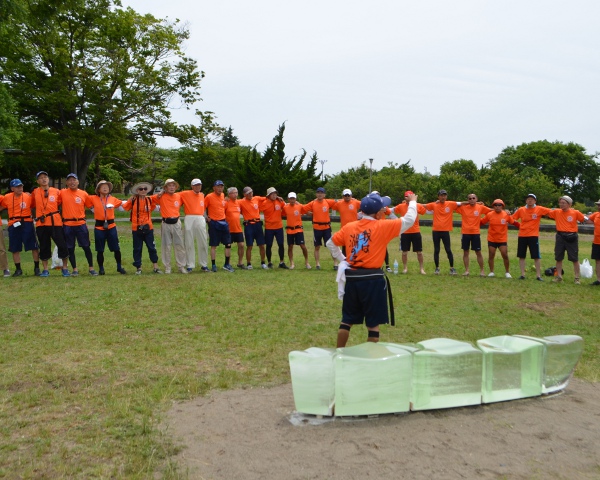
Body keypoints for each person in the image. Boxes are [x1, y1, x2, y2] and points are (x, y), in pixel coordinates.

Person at [326, 192, 417, 347]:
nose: (384, 211)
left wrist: (344, 260)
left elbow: (330, 243)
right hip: (372, 280)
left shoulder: (350, 227)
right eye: (382, 209)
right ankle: (369, 360)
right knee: (373, 326)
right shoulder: (382, 226)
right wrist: (413, 202)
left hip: (353, 279)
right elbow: (409, 220)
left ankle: (338, 353)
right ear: (376, 213)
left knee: (346, 321)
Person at [31, 171, 70, 277]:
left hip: (55, 222)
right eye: (41, 178)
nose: (44, 179)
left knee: (62, 245)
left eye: (45, 177)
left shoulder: (56, 191)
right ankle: (45, 269)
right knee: (44, 246)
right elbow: (32, 205)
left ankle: (65, 268)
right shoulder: (35, 192)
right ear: (37, 181)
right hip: (41, 224)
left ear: (48, 179)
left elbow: (61, 203)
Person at [0, 179, 40, 276]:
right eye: (17, 187)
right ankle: (18, 269)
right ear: (12, 188)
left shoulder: (28, 196)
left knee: (33, 246)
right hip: (13, 223)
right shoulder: (7, 197)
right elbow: (2, 206)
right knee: (15, 247)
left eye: (21, 186)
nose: (20, 188)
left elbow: (35, 206)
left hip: (27, 222)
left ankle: (37, 268)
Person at [86, 180, 126, 275]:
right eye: (103, 186)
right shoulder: (93, 198)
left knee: (116, 248)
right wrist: (93, 209)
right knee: (100, 249)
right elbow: (85, 201)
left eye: (107, 187)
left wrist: (133, 200)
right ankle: (101, 268)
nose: (105, 188)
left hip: (111, 226)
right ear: (98, 189)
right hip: (99, 227)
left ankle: (119, 267)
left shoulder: (112, 199)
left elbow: (123, 204)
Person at [122, 181, 163, 274]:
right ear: (137, 190)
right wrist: (130, 200)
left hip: (148, 227)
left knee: (151, 247)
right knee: (137, 248)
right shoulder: (133, 200)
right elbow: (125, 207)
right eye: (141, 189)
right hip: (136, 228)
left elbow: (156, 201)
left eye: (145, 189)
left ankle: (155, 266)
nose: (143, 190)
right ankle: (138, 267)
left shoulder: (149, 200)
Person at [61, 173, 98, 276]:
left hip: (80, 223)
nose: (72, 182)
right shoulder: (62, 193)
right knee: (70, 248)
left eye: (74, 180)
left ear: (78, 182)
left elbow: (92, 207)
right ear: (67, 182)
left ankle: (91, 268)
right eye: (70, 180)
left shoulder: (83, 194)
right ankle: (74, 269)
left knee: (86, 246)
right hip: (68, 224)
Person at [546, 195, 587, 284]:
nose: (561, 204)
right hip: (560, 236)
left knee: (574, 258)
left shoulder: (575, 212)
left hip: (572, 237)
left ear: (569, 204)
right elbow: (545, 212)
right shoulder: (556, 212)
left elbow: (585, 219)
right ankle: (559, 277)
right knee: (558, 257)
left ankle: (577, 278)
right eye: (560, 203)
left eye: (564, 203)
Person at [511, 193, 552, 281]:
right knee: (521, 255)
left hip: (533, 235)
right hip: (522, 235)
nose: (530, 200)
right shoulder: (521, 209)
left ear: (535, 201)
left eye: (532, 199)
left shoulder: (539, 209)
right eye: (528, 199)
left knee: (536, 256)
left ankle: (538, 275)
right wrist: (518, 224)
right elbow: (512, 218)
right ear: (526, 200)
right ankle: (522, 274)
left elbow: (551, 212)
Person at [151, 178, 187, 274]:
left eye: (173, 185)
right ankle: (167, 267)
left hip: (176, 222)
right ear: (165, 188)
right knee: (166, 245)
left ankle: (181, 266)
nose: (171, 187)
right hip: (166, 223)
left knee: (179, 245)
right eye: (169, 186)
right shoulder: (161, 196)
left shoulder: (179, 196)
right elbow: (149, 199)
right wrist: (161, 192)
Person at [424, 189, 461, 275]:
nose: (443, 197)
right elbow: (423, 205)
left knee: (448, 249)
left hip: (445, 231)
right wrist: (411, 203)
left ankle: (452, 268)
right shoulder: (434, 205)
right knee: (437, 250)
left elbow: (462, 203)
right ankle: (437, 268)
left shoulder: (450, 204)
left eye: (444, 195)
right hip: (436, 231)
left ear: (446, 196)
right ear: (438, 196)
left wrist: (477, 203)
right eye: (441, 195)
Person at [480, 199, 519, 278]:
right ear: (493, 206)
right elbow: (481, 222)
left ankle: (507, 272)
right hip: (492, 238)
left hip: (502, 239)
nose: (497, 207)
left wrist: (523, 227)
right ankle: (491, 272)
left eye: (499, 205)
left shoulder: (506, 215)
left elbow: (514, 222)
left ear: (502, 206)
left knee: (505, 254)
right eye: (495, 205)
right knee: (491, 254)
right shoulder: (489, 214)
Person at [302, 187, 338, 270]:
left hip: (326, 228)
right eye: (318, 192)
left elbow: (338, 202)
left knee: (331, 246)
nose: (320, 194)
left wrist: (351, 199)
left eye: (321, 193)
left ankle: (335, 263)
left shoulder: (328, 202)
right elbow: (303, 209)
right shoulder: (313, 203)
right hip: (317, 228)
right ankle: (317, 264)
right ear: (316, 194)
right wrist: (309, 213)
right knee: (317, 246)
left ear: (324, 194)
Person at [455, 193, 491, 276]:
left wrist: (505, 211)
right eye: (470, 198)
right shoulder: (463, 208)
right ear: (468, 200)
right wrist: (466, 203)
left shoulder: (480, 207)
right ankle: (467, 270)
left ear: (476, 199)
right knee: (466, 252)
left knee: (478, 252)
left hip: (475, 233)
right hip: (465, 233)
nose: (471, 200)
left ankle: (482, 271)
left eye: (473, 198)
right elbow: (454, 205)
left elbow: (491, 211)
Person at [393, 190, 427, 274]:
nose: (407, 198)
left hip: (416, 231)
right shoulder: (401, 206)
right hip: (405, 232)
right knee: (404, 252)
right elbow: (393, 210)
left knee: (419, 252)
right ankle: (405, 268)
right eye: (406, 196)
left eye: (409, 196)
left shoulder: (417, 205)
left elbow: (424, 211)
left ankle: (421, 268)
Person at [204, 180, 234, 272]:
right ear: (214, 188)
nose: (220, 188)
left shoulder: (223, 196)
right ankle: (213, 265)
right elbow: (203, 207)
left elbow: (223, 207)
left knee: (228, 244)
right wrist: (206, 217)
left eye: (221, 187)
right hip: (213, 223)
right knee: (214, 245)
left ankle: (227, 264)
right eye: (218, 186)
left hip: (223, 222)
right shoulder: (209, 196)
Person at [180, 178, 209, 272]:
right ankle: (190, 265)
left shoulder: (202, 195)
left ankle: (204, 264)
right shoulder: (185, 193)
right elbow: (173, 195)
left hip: (200, 217)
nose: (198, 187)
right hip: (189, 217)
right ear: (192, 186)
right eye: (196, 185)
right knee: (189, 241)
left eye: (199, 185)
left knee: (203, 241)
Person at [239, 186, 267, 269]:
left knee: (261, 245)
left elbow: (267, 198)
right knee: (249, 245)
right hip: (249, 225)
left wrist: (278, 197)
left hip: (258, 224)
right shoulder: (241, 202)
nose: (251, 194)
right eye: (248, 193)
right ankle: (249, 263)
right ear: (244, 194)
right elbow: (232, 202)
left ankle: (263, 262)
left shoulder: (257, 198)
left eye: (251, 192)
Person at [282, 192, 310, 269]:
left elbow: (306, 211)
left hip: (298, 229)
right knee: (290, 246)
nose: (292, 200)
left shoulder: (299, 206)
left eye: (293, 198)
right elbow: (282, 213)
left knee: (303, 246)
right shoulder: (285, 207)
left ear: (295, 199)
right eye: (290, 198)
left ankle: (307, 262)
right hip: (290, 230)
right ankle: (292, 263)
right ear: (288, 199)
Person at [262, 187, 288, 268]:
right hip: (269, 228)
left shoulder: (279, 201)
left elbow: (286, 208)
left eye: (275, 193)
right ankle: (269, 262)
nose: (274, 195)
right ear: (269, 195)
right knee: (269, 245)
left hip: (279, 227)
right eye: (272, 194)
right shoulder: (264, 203)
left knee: (281, 244)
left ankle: (281, 262)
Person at [224, 186, 245, 269]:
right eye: (233, 193)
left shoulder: (239, 202)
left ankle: (240, 262)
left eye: (236, 192)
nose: (235, 194)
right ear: (229, 194)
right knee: (228, 246)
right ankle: (227, 263)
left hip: (238, 228)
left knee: (241, 245)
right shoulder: (226, 202)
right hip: (229, 228)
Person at [585, 199, 600, 285]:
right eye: (598, 205)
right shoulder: (596, 215)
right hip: (597, 242)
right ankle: (599, 280)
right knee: (597, 261)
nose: (599, 207)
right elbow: (588, 220)